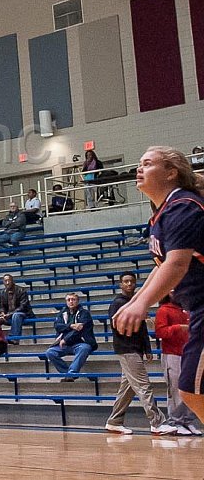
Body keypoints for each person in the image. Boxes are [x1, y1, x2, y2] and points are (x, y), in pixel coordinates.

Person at [113, 146, 204, 425]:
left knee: (192, 389)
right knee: (192, 391)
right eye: (139, 163)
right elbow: (162, 267)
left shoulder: (183, 206)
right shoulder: (162, 214)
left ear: (171, 173)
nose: (139, 169)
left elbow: (176, 264)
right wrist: (136, 300)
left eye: (148, 163)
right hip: (198, 309)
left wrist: (141, 305)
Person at [104, 272, 175, 435]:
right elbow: (118, 328)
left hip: (136, 349)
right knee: (144, 385)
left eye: (132, 281)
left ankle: (114, 421)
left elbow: (143, 329)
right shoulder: (117, 303)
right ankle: (157, 422)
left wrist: (147, 349)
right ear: (120, 284)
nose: (129, 284)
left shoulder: (137, 302)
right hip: (126, 349)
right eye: (126, 281)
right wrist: (136, 318)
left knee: (127, 388)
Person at [155, 295, 202, 434]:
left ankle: (187, 421)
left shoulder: (187, 310)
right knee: (175, 389)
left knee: (189, 388)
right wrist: (177, 328)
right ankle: (175, 421)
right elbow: (160, 332)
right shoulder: (164, 310)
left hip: (188, 354)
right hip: (172, 354)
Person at [44, 293, 97, 381]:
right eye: (68, 300)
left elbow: (79, 331)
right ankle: (67, 374)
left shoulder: (85, 313)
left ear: (78, 301)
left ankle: (72, 373)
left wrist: (65, 339)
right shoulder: (62, 313)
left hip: (80, 343)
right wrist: (71, 326)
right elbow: (57, 326)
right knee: (50, 352)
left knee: (85, 348)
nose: (71, 302)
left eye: (73, 299)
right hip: (64, 345)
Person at [0, 274, 33, 345]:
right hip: (8, 315)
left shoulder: (21, 290)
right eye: (5, 281)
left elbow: (23, 306)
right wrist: (2, 312)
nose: (7, 283)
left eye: (9, 280)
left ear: (12, 281)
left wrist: (10, 314)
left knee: (16, 315)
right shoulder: (2, 293)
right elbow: (2, 306)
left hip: (24, 314)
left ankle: (14, 338)